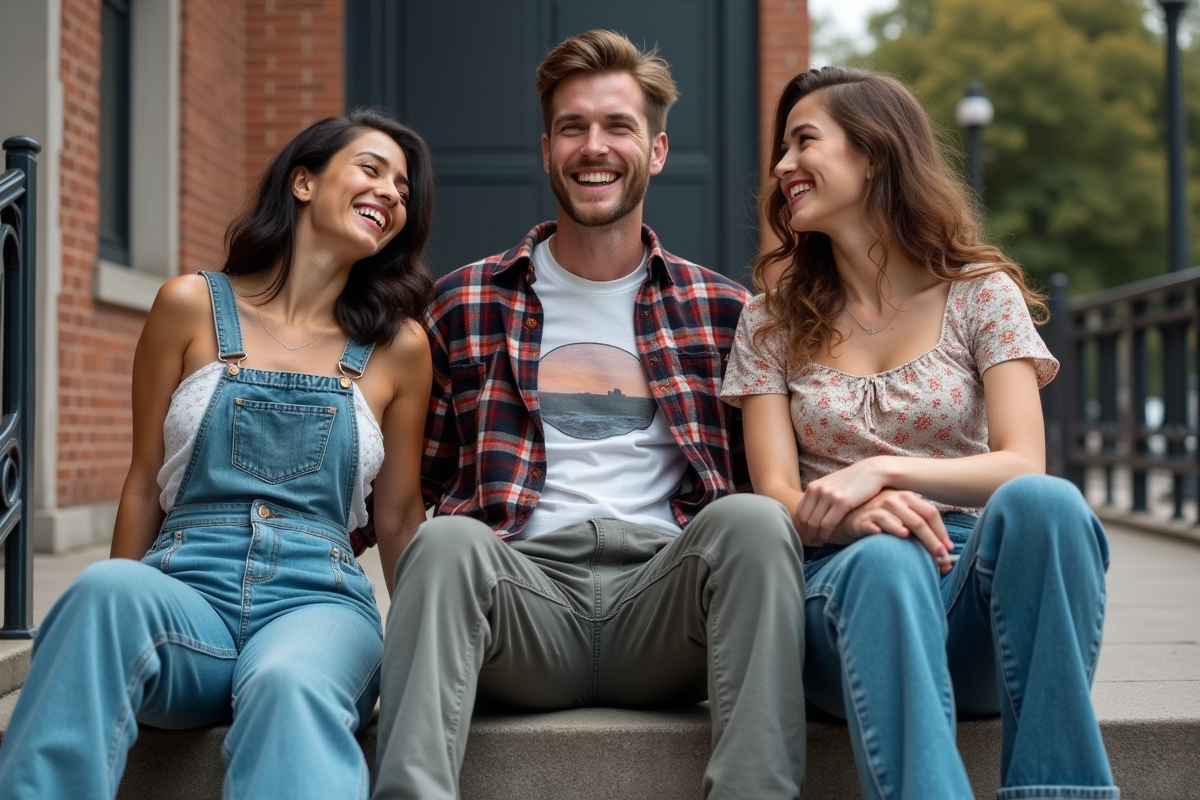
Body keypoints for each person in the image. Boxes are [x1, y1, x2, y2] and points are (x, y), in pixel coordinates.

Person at [370, 29, 808, 800]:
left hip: (665, 610)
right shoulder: (466, 300)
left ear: (659, 150)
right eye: (573, 127)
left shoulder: (725, 309)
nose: (593, 146)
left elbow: (777, 482)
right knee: (443, 543)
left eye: (617, 127)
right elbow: (410, 488)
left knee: (753, 521)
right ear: (546, 150)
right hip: (521, 607)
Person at [0, 108, 434, 800]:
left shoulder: (400, 347)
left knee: (289, 682)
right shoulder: (189, 305)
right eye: (372, 170)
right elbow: (144, 483)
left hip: (318, 605)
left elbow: (400, 520)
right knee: (100, 592)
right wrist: (117, 627)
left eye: (404, 190)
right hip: (184, 590)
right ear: (302, 182)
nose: (392, 194)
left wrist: (424, 659)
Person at [721, 66, 1117, 800]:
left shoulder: (980, 294)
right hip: (841, 592)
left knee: (1050, 505)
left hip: (974, 605)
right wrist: (857, 515)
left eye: (804, 142)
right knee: (887, 561)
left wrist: (884, 471)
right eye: (781, 150)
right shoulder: (768, 319)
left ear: (873, 153)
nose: (781, 167)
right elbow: (774, 490)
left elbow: (1022, 461)